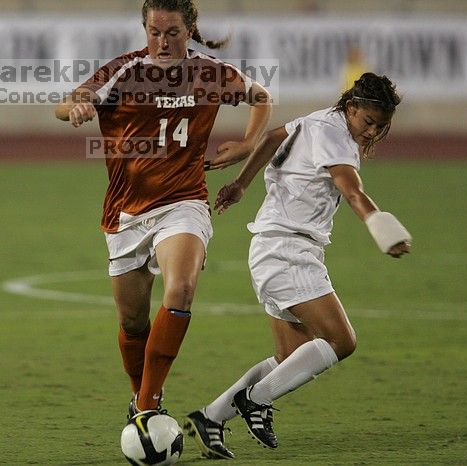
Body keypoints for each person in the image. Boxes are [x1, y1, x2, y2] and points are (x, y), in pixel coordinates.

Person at [55, 0, 271, 428]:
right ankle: (141, 395)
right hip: (126, 213)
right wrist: (76, 107)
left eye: (172, 32)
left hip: (184, 203)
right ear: (144, 30)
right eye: (154, 32)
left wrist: (248, 145)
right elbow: (66, 103)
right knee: (133, 322)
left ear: (190, 30)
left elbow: (260, 97)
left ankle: (149, 404)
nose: (162, 41)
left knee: (182, 288)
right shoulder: (124, 71)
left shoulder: (209, 73)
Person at [184, 72, 410, 458]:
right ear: (351, 107)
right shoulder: (334, 135)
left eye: (380, 126)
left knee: (290, 358)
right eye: (367, 121)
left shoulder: (319, 120)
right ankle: (255, 399)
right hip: (289, 252)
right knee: (342, 341)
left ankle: (211, 416)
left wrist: (241, 183)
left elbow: (273, 136)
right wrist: (382, 227)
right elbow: (353, 191)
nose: (371, 132)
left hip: (274, 248)